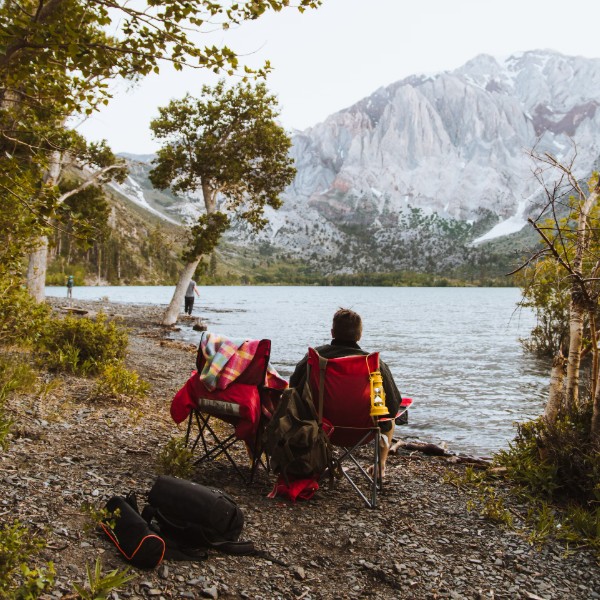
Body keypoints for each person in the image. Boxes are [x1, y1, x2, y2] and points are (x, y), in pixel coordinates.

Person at [289, 307, 402, 478]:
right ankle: (380, 466)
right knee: (390, 419)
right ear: (359, 335)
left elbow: (293, 388)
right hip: (364, 432)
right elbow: (393, 406)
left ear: (332, 332)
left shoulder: (315, 358)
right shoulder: (373, 364)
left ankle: (313, 460)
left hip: (320, 428)